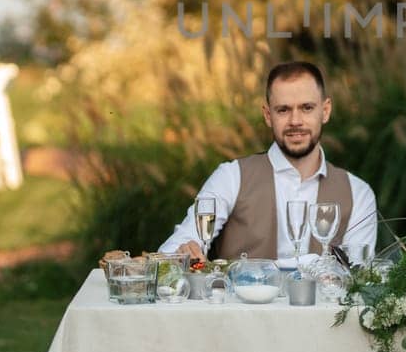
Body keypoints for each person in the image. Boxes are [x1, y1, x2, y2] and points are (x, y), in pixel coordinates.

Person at [161, 60, 378, 265]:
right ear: (267, 115)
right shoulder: (231, 177)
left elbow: (359, 281)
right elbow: (172, 253)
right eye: (283, 110)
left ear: (326, 111)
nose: (295, 121)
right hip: (240, 306)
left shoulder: (358, 193)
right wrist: (185, 253)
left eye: (307, 108)